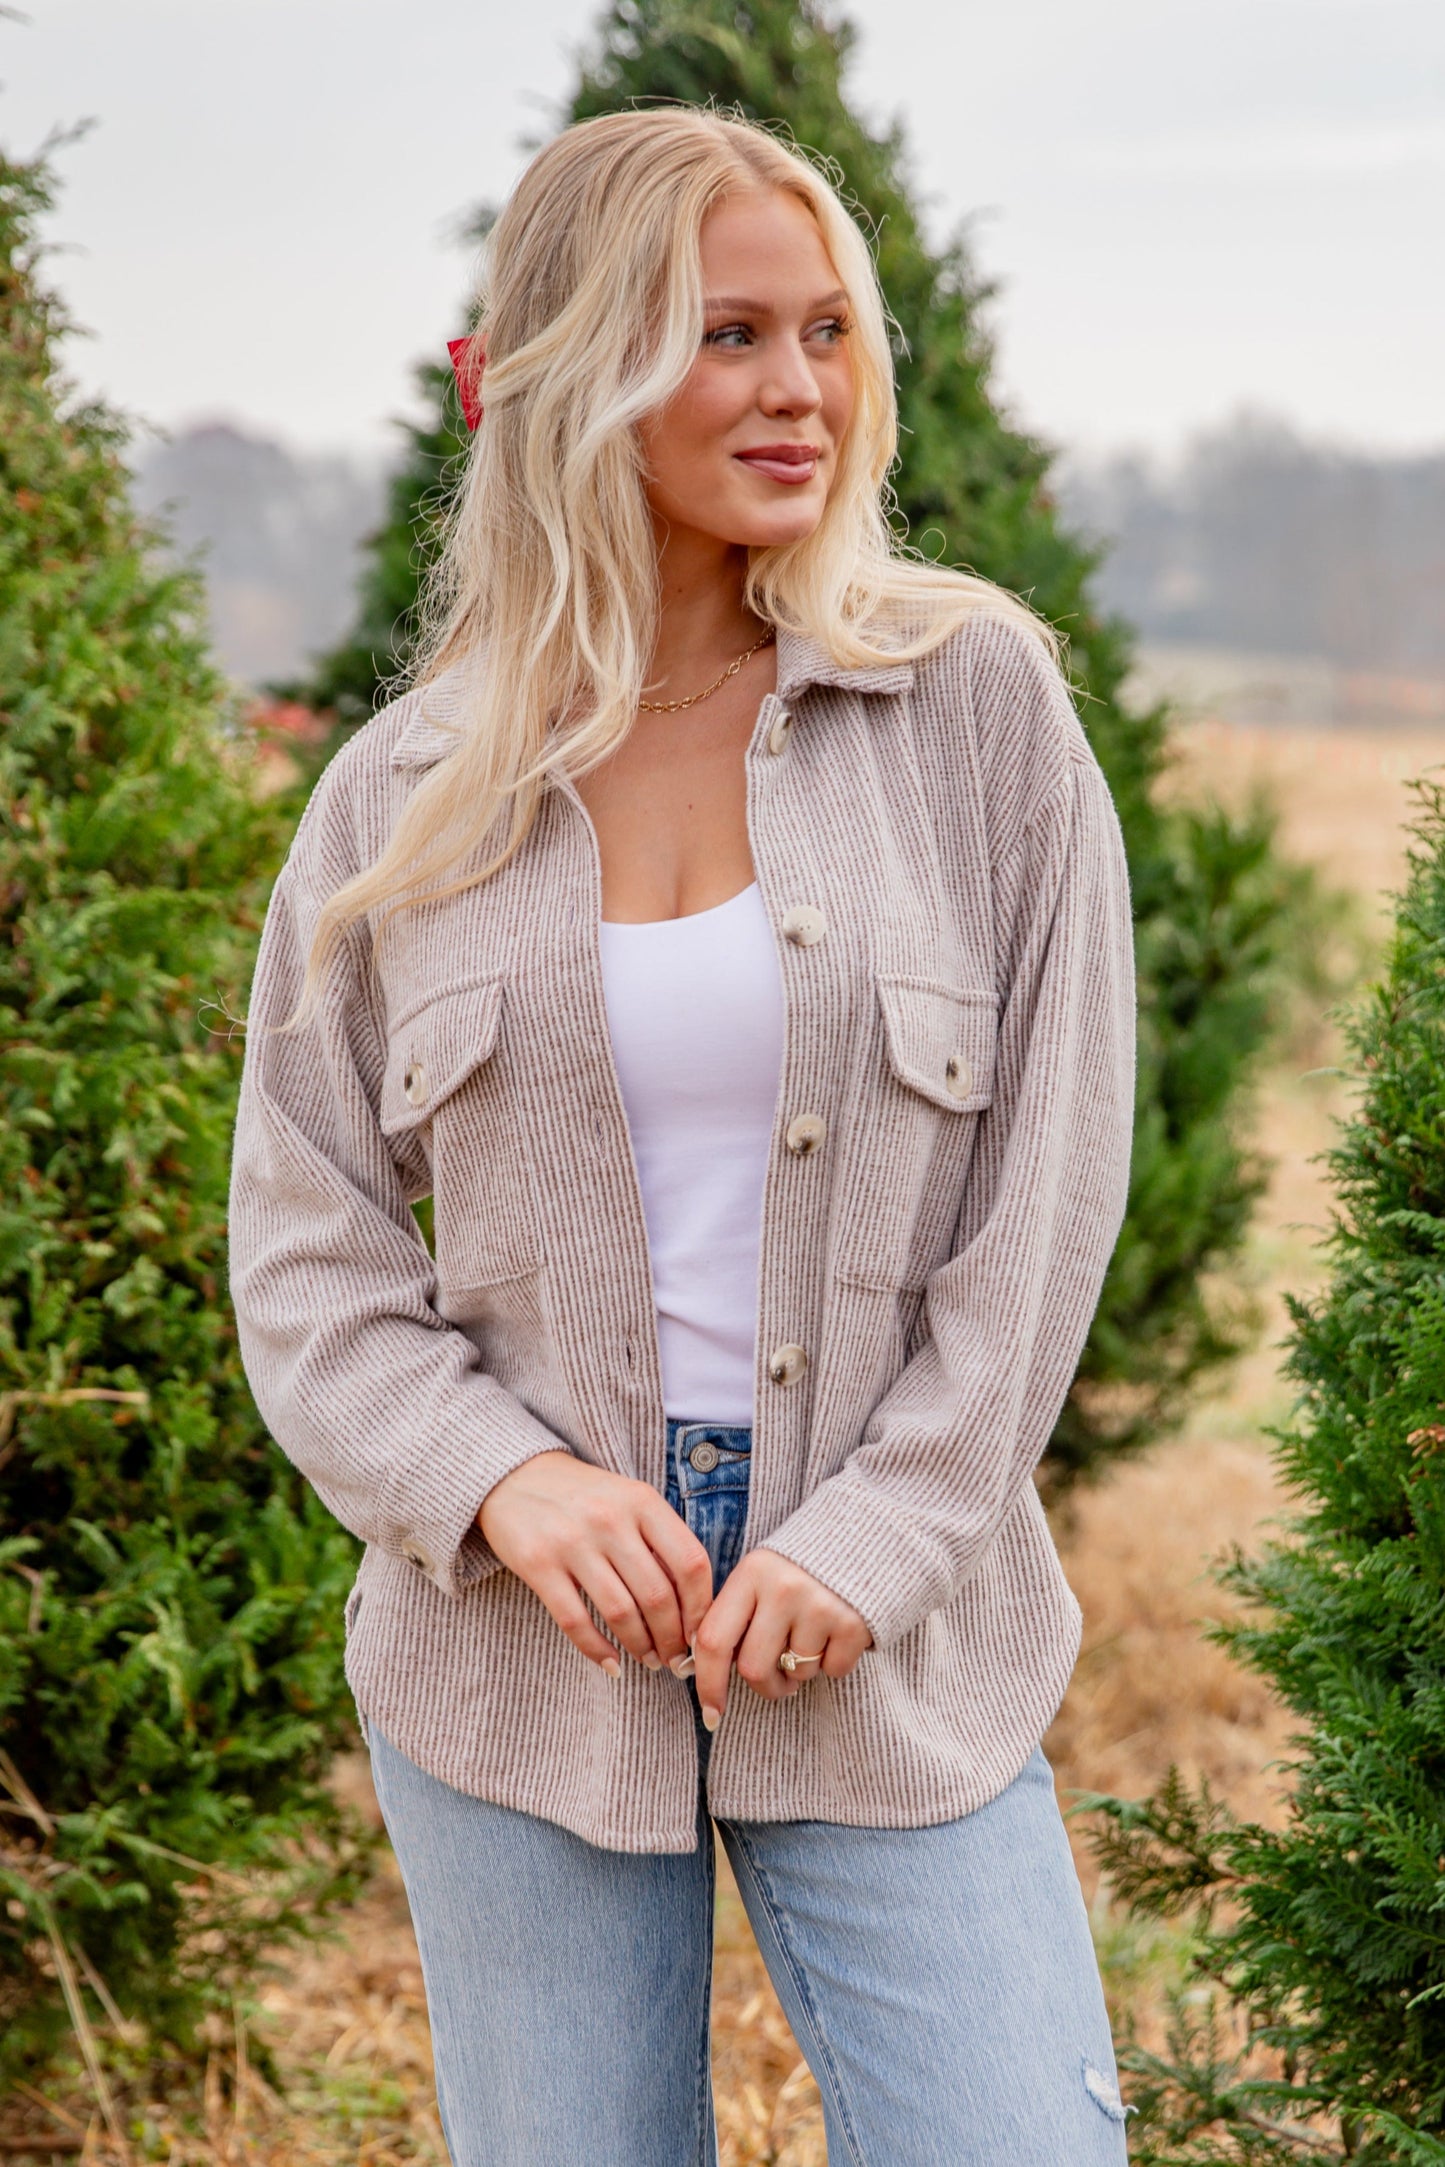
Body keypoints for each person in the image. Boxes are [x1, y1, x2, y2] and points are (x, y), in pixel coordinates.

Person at [229, 106, 1137, 2167]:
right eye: (728, 333)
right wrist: (508, 1484)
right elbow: (306, 1246)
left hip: (894, 1625)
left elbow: (1047, 1200)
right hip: (516, 1658)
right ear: (574, 367)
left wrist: (870, 1539)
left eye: (825, 331)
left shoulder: (977, 712)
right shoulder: (397, 799)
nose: (800, 387)